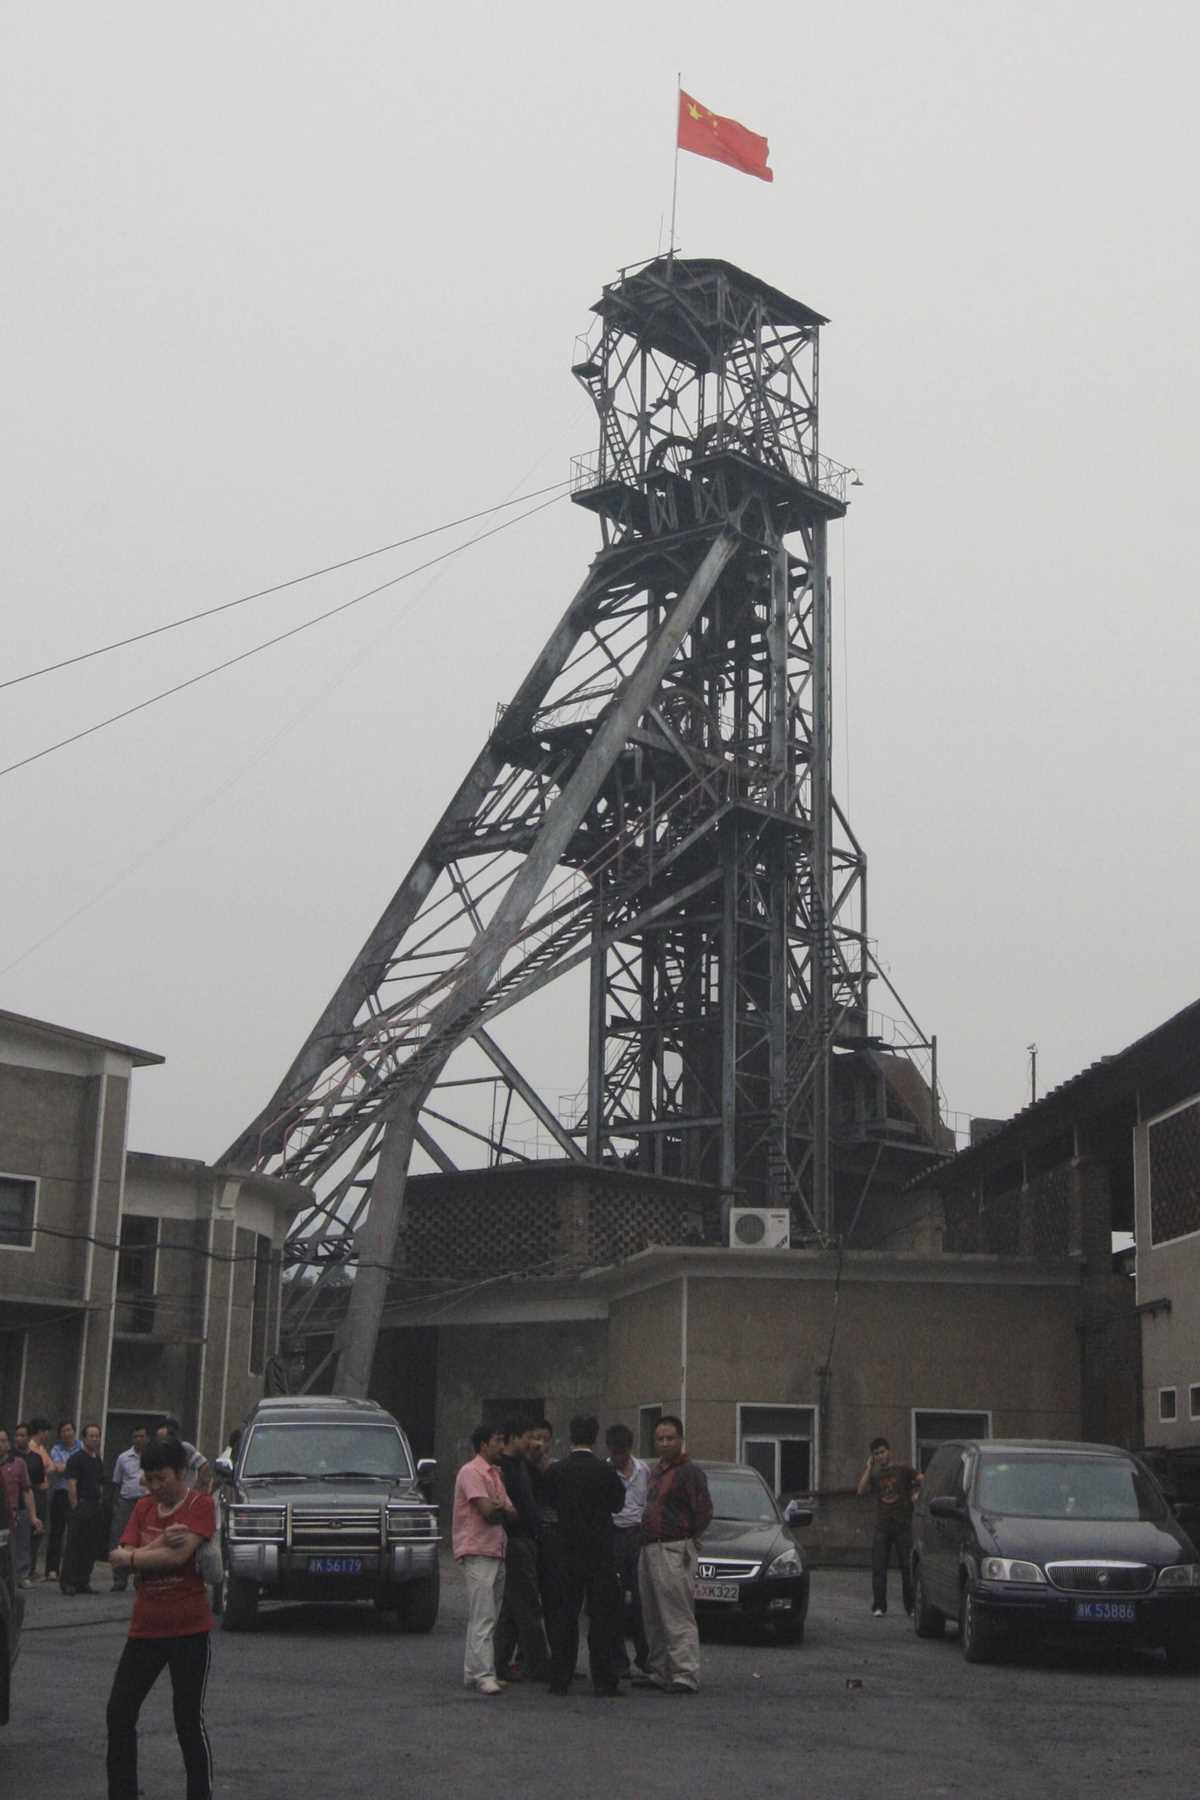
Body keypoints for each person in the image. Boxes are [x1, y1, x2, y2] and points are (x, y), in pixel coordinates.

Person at [106, 1435, 217, 1800]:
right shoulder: (143, 1508)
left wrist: (133, 1557)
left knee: (188, 1721)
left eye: (162, 1478)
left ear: (180, 1472)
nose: (155, 1487)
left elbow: (177, 1558)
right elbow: (123, 1555)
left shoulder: (200, 1506)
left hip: (189, 1629)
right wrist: (154, 1545)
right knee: (119, 1713)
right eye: (149, 1479)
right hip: (145, 1629)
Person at [541, 1414, 626, 1698]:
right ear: (595, 1436)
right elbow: (618, 1504)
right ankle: (604, 1679)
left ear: (570, 1436)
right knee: (602, 1618)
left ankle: (560, 1679)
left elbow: (548, 1503)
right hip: (600, 1552)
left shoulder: (558, 1470)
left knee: (565, 1616)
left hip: (566, 1551)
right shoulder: (605, 1471)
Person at [637, 1415, 712, 1695]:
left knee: (677, 1613)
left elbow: (704, 1511)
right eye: (660, 1438)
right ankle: (660, 1670)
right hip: (649, 1547)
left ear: (681, 1440)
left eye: (670, 1438)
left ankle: (685, 1673)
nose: (665, 1443)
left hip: (673, 1548)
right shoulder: (657, 1471)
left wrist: (687, 1538)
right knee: (653, 1615)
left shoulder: (689, 1472)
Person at [451, 1422, 516, 1695]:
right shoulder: (471, 1472)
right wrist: (498, 1506)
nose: (501, 1446)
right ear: (483, 1445)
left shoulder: (495, 1474)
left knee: (486, 1614)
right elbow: (489, 1512)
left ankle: (473, 1671)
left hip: (495, 1549)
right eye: (497, 1440)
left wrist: (498, 1506)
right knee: (484, 1616)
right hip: (477, 1550)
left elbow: (511, 1512)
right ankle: (484, 1675)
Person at [493, 1419, 550, 1684]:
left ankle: (499, 1661)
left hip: (528, 1539)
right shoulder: (502, 1468)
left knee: (511, 1608)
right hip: (516, 1541)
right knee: (528, 1605)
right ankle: (538, 1664)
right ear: (514, 1437)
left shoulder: (523, 1466)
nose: (532, 1442)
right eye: (528, 1437)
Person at [857, 1437, 921, 1616]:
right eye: (876, 1454)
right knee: (879, 1567)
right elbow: (860, 1490)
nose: (880, 1456)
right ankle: (879, 1606)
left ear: (889, 1451)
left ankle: (911, 1607)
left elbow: (922, 1479)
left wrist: (917, 1493)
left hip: (902, 1525)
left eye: (882, 1452)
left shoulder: (903, 1469)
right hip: (883, 1526)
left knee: (907, 1568)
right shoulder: (875, 1474)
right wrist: (869, 1467)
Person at [606, 1422, 650, 1675]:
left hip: (638, 1535)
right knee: (614, 1601)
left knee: (642, 1600)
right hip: (613, 1536)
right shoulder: (605, 1471)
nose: (618, 1459)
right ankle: (619, 1661)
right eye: (615, 1453)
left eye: (622, 1453)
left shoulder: (644, 1471)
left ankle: (645, 1657)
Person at [61, 1421, 105, 1594]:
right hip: (81, 1506)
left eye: (97, 1436)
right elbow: (71, 1484)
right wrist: (75, 1507)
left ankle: (83, 1581)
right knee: (74, 1545)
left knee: (90, 1546)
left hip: (95, 1507)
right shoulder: (76, 1459)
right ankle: (68, 1582)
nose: (94, 1439)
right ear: (84, 1438)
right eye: (91, 1436)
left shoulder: (97, 1460)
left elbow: (100, 1483)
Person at [109, 1425, 149, 1592]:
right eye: (136, 1436)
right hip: (126, 1502)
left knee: (145, 1539)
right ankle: (119, 1578)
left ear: (147, 1438)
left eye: (142, 1436)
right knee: (120, 1539)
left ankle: (142, 1578)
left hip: (146, 1502)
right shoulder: (123, 1458)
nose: (139, 1439)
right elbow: (116, 1483)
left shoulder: (152, 1457)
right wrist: (115, 1505)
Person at [0, 1427, 42, 1586]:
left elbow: (27, 1490)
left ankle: (21, 1577)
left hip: (13, 1515)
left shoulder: (18, 1463)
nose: (0, 1444)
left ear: (8, 1444)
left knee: (18, 1547)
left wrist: (33, 1516)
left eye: (3, 1441)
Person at [20, 1419, 53, 1579]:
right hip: (34, 1491)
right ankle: (27, 1569)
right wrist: (47, 1469)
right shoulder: (32, 1449)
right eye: (46, 1432)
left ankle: (31, 1567)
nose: (47, 1435)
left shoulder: (41, 1448)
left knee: (38, 1531)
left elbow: (51, 1466)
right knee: (32, 1530)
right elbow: (41, 1470)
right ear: (40, 1432)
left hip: (42, 1492)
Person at [45, 1418, 77, 1580]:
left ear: (74, 1431)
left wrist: (66, 1466)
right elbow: (56, 1469)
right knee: (56, 1532)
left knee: (75, 1532)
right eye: (63, 1431)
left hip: (77, 1494)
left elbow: (66, 1468)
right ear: (60, 1434)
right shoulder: (56, 1449)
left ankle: (72, 1569)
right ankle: (52, 1569)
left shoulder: (81, 1447)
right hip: (60, 1494)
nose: (67, 1433)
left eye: (69, 1430)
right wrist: (74, 1466)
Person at [156, 1419, 209, 1490]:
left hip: (185, 1491)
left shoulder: (184, 1447)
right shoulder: (160, 1451)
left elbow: (204, 1466)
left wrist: (197, 1487)